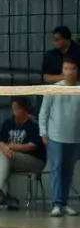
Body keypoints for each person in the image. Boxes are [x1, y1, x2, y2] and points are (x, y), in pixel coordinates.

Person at [0, 96, 45, 209]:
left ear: (25, 109)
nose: (14, 111)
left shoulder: (33, 126)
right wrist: (3, 148)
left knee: (5, 155)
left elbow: (30, 147)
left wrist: (8, 147)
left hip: (34, 161)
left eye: (17, 108)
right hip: (11, 158)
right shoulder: (8, 123)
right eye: (13, 108)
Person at [40, 55, 80, 216]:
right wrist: (43, 131)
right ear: (62, 71)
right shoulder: (53, 89)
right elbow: (44, 112)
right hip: (55, 136)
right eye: (66, 68)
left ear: (77, 70)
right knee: (56, 168)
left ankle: (64, 203)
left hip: (75, 137)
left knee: (68, 171)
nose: (69, 71)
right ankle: (56, 204)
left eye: (72, 68)